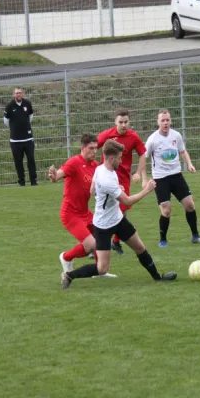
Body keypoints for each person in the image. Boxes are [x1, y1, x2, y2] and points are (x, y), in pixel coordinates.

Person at [60, 139, 177, 288]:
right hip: (103, 225)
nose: (121, 161)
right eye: (119, 158)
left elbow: (92, 190)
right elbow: (127, 201)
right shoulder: (106, 177)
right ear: (111, 158)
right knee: (102, 269)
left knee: (140, 247)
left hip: (118, 219)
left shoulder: (101, 169)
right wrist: (146, 190)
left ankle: (158, 278)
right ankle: (69, 276)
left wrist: (112, 191)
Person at [144, 109, 200, 248]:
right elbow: (144, 158)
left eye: (167, 120)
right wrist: (144, 178)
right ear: (158, 122)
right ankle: (163, 240)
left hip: (176, 175)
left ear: (170, 121)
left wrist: (189, 164)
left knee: (190, 205)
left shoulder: (176, 135)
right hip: (160, 178)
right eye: (163, 120)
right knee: (166, 211)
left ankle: (195, 236)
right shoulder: (152, 139)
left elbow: (182, 151)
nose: (165, 123)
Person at [48, 134, 104, 274]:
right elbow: (61, 173)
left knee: (102, 237)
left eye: (96, 148)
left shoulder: (95, 166)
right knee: (92, 245)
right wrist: (55, 176)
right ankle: (66, 257)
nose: (94, 151)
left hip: (85, 212)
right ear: (82, 148)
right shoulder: (74, 162)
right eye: (91, 148)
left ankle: (100, 270)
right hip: (70, 213)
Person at [97, 108, 148, 255]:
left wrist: (138, 172)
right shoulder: (107, 135)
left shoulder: (133, 137)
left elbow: (143, 154)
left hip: (123, 179)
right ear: (115, 122)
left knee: (123, 212)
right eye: (121, 122)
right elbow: (93, 147)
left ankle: (116, 242)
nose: (123, 125)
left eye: (126, 122)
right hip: (107, 178)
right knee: (104, 210)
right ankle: (97, 243)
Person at [4, 87, 37, 186]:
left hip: (28, 139)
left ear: (22, 94)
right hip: (15, 141)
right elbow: (6, 121)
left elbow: (30, 117)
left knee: (31, 159)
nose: (18, 94)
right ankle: (21, 181)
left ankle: (33, 181)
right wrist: (15, 128)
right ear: (14, 95)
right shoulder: (9, 106)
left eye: (20, 93)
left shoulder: (27, 103)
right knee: (18, 162)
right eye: (16, 93)